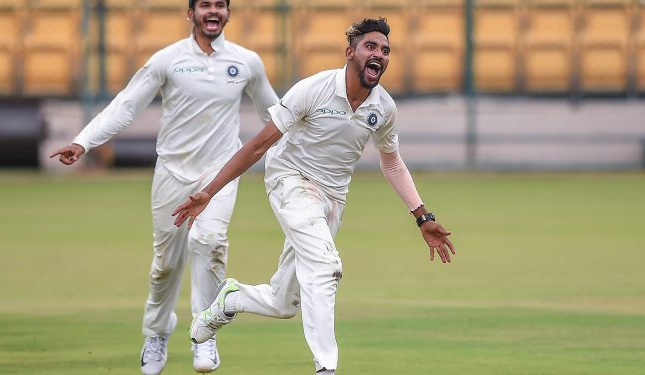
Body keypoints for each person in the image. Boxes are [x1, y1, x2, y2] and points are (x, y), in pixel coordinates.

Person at [172, 17, 456, 375]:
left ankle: (231, 299)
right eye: (371, 47)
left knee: (284, 301)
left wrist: (422, 216)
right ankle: (326, 369)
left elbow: (393, 164)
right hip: (290, 181)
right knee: (325, 267)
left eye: (386, 51)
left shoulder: (383, 108)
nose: (379, 55)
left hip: (332, 199)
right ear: (350, 52)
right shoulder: (314, 89)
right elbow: (260, 145)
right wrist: (209, 192)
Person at [49, 0, 279, 374]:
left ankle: (206, 334)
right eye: (205, 5)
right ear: (191, 13)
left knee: (210, 243)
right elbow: (126, 105)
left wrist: (310, 149)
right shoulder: (166, 60)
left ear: (229, 13)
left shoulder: (247, 62)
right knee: (165, 267)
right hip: (172, 173)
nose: (213, 11)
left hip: (220, 173)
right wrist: (84, 141)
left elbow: (275, 114)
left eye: (220, 5)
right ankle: (156, 333)